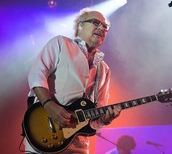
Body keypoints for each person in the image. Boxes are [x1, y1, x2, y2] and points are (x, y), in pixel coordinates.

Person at [24, 8, 121, 153]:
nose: (101, 28)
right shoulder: (61, 43)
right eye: (96, 22)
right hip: (45, 134)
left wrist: (105, 119)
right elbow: (37, 75)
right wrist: (49, 105)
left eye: (105, 27)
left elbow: (95, 117)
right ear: (80, 25)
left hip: (79, 146)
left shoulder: (104, 69)